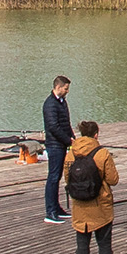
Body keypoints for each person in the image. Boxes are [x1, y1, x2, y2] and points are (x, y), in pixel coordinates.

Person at [65, 122, 119, 254]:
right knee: (104, 244)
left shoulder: (71, 153)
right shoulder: (102, 153)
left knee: (82, 245)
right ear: (96, 134)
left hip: (79, 205)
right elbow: (113, 180)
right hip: (100, 205)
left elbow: (67, 178)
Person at [39, 75, 76, 221]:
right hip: (54, 145)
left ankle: (56, 207)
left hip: (62, 144)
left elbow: (66, 123)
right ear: (58, 87)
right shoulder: (50, 104)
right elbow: (53, 127)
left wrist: (72, 137)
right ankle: (50, 211)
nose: (67, 91)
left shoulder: (62, 102)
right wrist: (68, 140)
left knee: (58, 177)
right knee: (53, 177)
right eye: (65, 89)